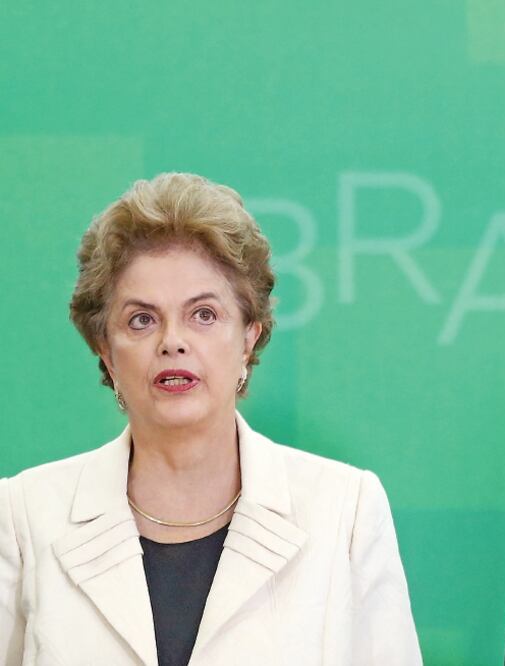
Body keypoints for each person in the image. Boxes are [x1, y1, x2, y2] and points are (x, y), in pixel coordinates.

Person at [0, 173, 422, 665]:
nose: (172, 341)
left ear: (248, 337)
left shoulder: (343, 510)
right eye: (142, 319)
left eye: (203, 314)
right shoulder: (25, 514)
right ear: (106, 352)